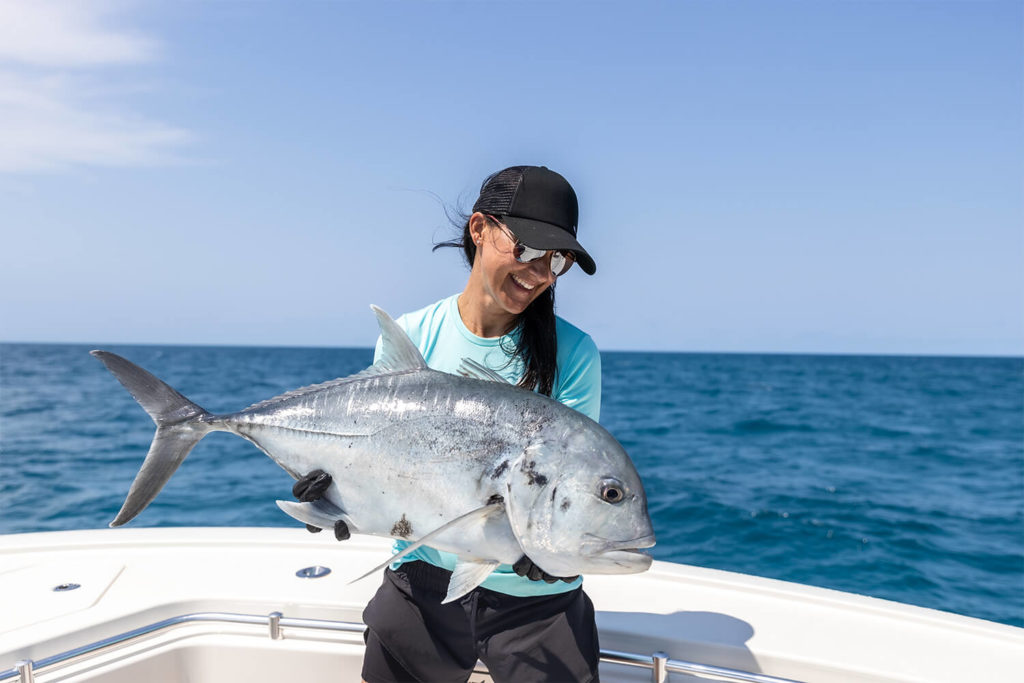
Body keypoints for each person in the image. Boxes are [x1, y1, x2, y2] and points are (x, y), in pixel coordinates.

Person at [294, 165, 603, 682]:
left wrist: (555, 555)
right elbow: (385, 464)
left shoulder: (574, 353)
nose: (541, 271)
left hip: (537, 602)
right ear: (479, 229)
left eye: (558, 260)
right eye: (527, 249)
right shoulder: (413, 335)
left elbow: (572, 484)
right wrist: (333, 492)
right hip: (421, 583)